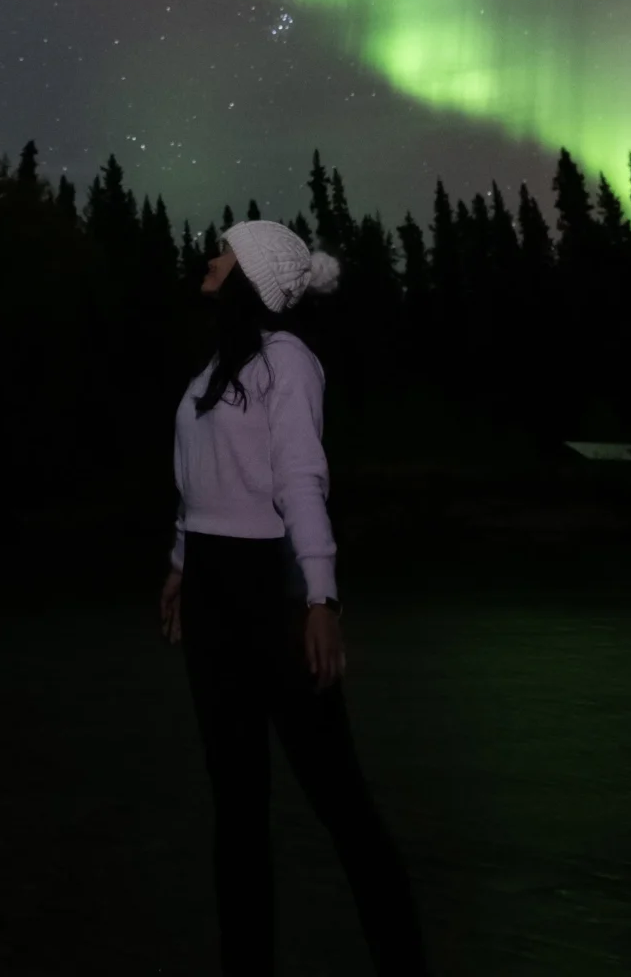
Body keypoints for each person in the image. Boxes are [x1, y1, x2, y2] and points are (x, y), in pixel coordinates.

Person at [161, 219, 431, 977]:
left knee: (338, 801)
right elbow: (199, 482)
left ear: (249, 271)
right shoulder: (213, 367)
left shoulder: (289, 362)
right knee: (236, 811)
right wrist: (181, 561)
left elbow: (300, 480)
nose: (210, 258)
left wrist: (319, 597)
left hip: (270, 594)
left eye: (223, 249)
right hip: (212, 595)